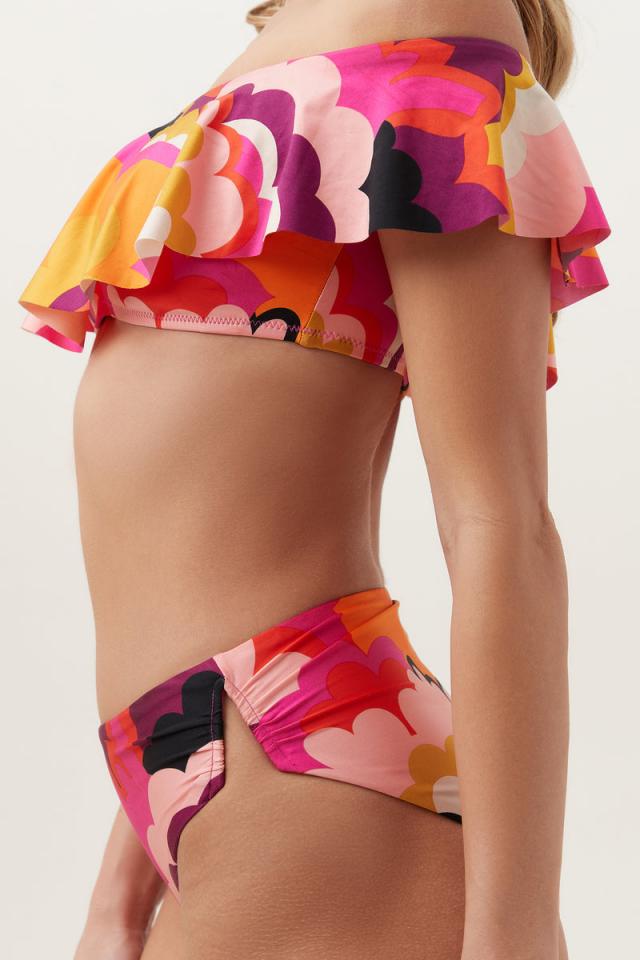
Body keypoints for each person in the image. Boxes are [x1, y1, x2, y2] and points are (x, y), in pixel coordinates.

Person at [17, 1, 610, 958]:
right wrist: (116, 900)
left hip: (305, 756)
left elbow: (500, 524)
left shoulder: (431, 16)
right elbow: (211, 509)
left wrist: (517, 930)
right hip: (195, 758)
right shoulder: (281, 42)